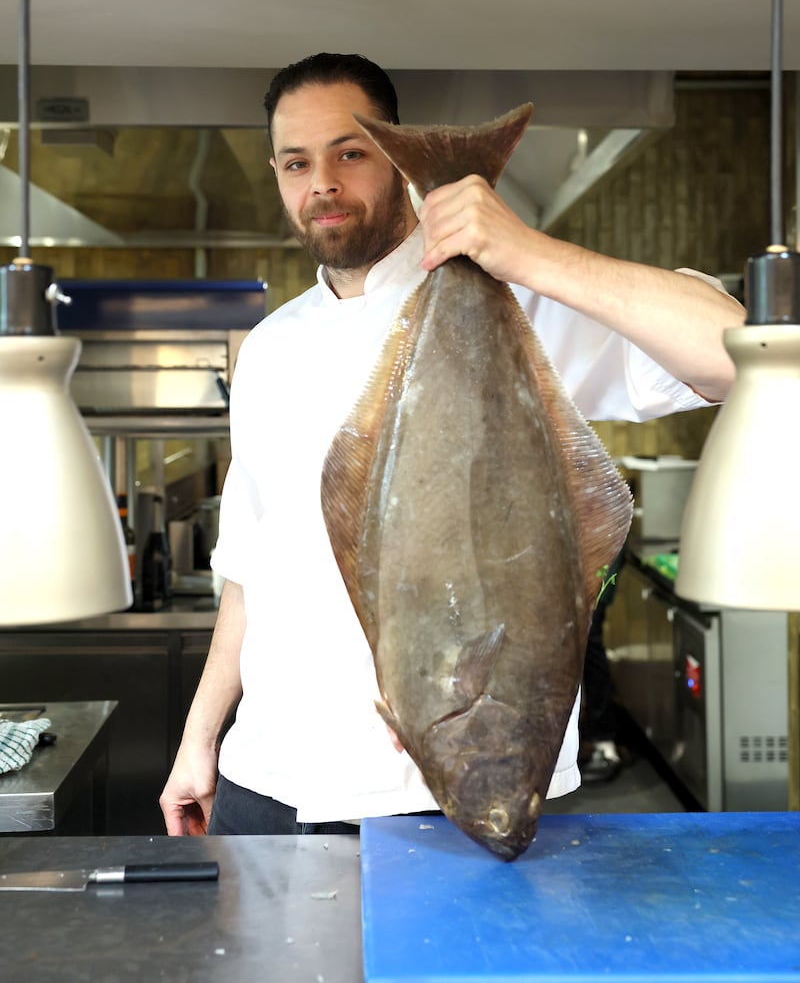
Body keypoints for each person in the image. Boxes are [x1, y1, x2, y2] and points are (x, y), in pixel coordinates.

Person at [159, 52, 745, 836]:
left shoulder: (523, 300)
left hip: (449, 786)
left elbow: (739, 350)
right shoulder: (268, 348)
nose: (322, 182)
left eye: (350, 152)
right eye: (297, 162)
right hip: (265, 777)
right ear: (277, 172)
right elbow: (249, 569)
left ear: (397, 161)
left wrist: (525, 252)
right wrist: (200, 740)